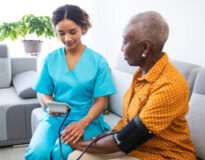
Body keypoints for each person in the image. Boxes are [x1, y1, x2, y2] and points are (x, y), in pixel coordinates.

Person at [67, 11, 196, 160]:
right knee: (77, 157)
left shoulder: (170, 86)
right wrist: (98, 138)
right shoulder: (141, 74)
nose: (122, 48)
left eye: (125, 42)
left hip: (164, 154)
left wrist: (79, 143)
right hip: (136, 147)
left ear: (145, 48)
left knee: (80, 155)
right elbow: (126, 124)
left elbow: (126, 138)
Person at [24, 4, 116, 160]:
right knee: (37, 153)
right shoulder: (50, 58)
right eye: (61, 33)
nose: (67, 38)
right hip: (55, 117)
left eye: (73, 32)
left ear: (83, 28)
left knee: (62, 153)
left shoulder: (98, 61)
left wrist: (84, 123)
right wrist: (49, 104)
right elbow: (43, 92)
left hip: (86, 118)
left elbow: (100, 101)